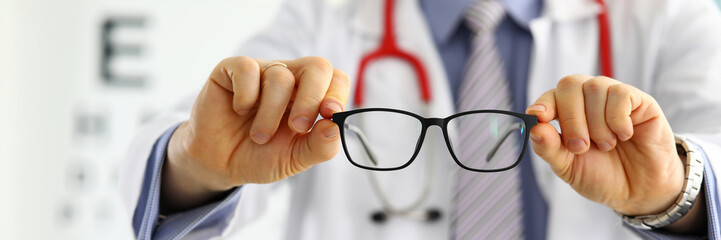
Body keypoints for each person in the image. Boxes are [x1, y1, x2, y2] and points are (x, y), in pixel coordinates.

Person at [120, 0, 721, 239]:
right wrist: (197, 166)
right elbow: (178, 144)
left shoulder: (666, 17)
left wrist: (673, 192)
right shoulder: (323, 16)